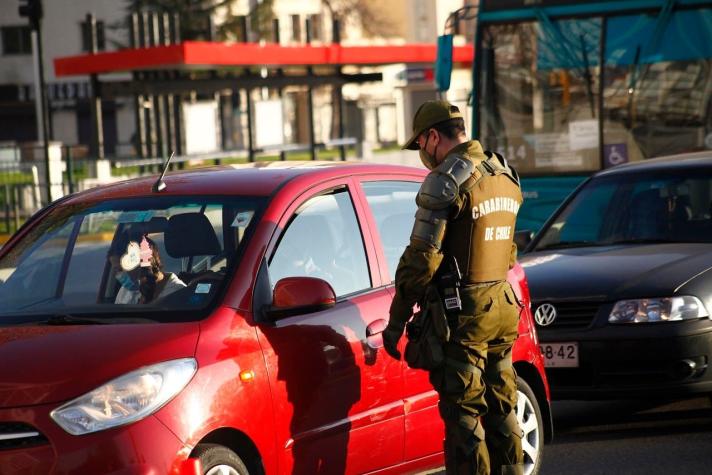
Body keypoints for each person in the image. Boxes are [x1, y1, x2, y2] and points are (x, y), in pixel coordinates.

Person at [382, 100, 525, 474]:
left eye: (420, 146)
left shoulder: (447, 180)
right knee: (502, 407)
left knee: (465, 417)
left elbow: (421, 261)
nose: (422, 155)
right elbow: (509, 252)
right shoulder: (503, 172)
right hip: (503, 306)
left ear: (432, 137)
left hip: (464, 315)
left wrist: (396, 320)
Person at [108, 234, 186, 304]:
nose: (118, 274)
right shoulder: (126, 291)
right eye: (116, 270)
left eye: (120, 269)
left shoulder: (178, 294)